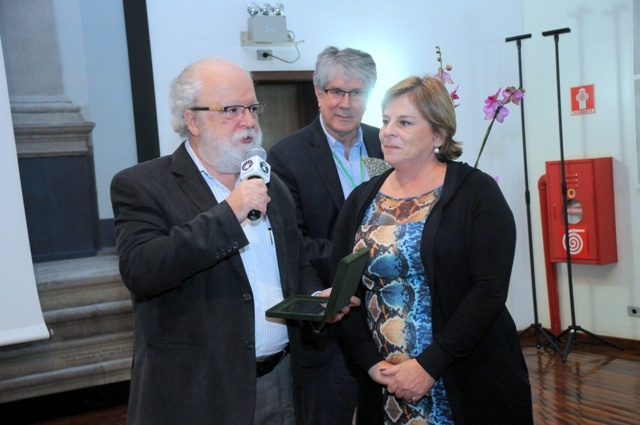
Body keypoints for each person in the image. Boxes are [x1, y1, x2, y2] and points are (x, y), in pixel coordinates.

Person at [110, 57, 359, 425]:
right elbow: (143, 271)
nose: (249, 122)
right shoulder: (143, 185)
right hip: (198, 394)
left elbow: (296, 265)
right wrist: (229, 213)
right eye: (231, 110)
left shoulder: (269, 184)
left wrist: (316, 303)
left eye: (252, 108)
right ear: (192, 119)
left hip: (283, 380)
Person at [330, 75, 534, 424]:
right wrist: (371, 363)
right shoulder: (361, 200)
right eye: (385, 121)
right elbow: (344, 291)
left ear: (438, 135)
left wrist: (429, 365)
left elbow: (489, 291)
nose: (387, 131)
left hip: (467, 375)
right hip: (385, 384)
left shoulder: (476, 193)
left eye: (404, 122)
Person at [267, 46, 383, 425]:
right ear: (318, 93)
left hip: (389, 313)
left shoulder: (386, 144)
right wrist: (358, 260)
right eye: (336, 91)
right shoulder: (287, 156)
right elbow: (293, 240)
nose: (346, 104)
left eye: (357, 92)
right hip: (330, 316)